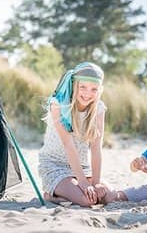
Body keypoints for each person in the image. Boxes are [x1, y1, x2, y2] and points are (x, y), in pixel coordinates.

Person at [38, 62, 107, 207]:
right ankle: (50, 195)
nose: (88, 94)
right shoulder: (58, 105)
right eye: (83, 87)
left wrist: (96, 182)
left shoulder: (99, 108)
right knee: (87, 201)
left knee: (106, 196)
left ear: (99, 90)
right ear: (74, 85)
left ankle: (70, 190)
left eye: (94, 89)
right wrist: (82, 182)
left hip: (81, 166)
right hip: (55, 165)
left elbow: (96, 148)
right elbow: (68, 144)